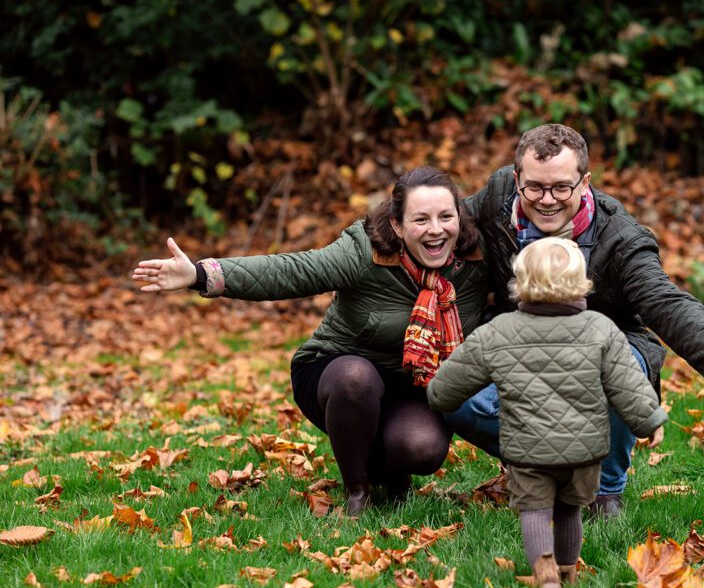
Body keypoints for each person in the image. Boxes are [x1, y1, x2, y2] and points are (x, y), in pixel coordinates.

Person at [446, 124, 704, 518]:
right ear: (517, 178)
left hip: (604, 351)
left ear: (585, 182)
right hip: (521, 343)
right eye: (534, 187)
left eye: (561, 188)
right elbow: (437, 221)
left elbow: (666, 303)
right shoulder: (499, 196)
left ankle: (605, 490)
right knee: (452, 390)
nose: (547, 200)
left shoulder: (620, 237)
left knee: (619, 362)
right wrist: (373, 242)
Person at [131, 166, 489, 516]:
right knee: (355, 379)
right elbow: (292, 271)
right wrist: (199, 274)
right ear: (396, 224)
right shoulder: (364, 251)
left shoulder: (476, 257)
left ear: (460, 216)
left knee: (421, 447)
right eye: (421, 220)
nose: (436, 230)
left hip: (416, 384)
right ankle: (358, 490)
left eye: (446, 217)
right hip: (340, 371)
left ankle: (388, 471)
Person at [427, 237, 667, 588]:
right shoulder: (602, 329)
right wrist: (650, 420)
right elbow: (627, 383)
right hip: (585, 452)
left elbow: (449, 384)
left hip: (527, 451)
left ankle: (544, 570)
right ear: (581, 282)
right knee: (569, 509)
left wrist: (436, 395)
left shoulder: (499, 331)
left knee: (535, 511)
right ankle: (568, 570)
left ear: (520, 283)